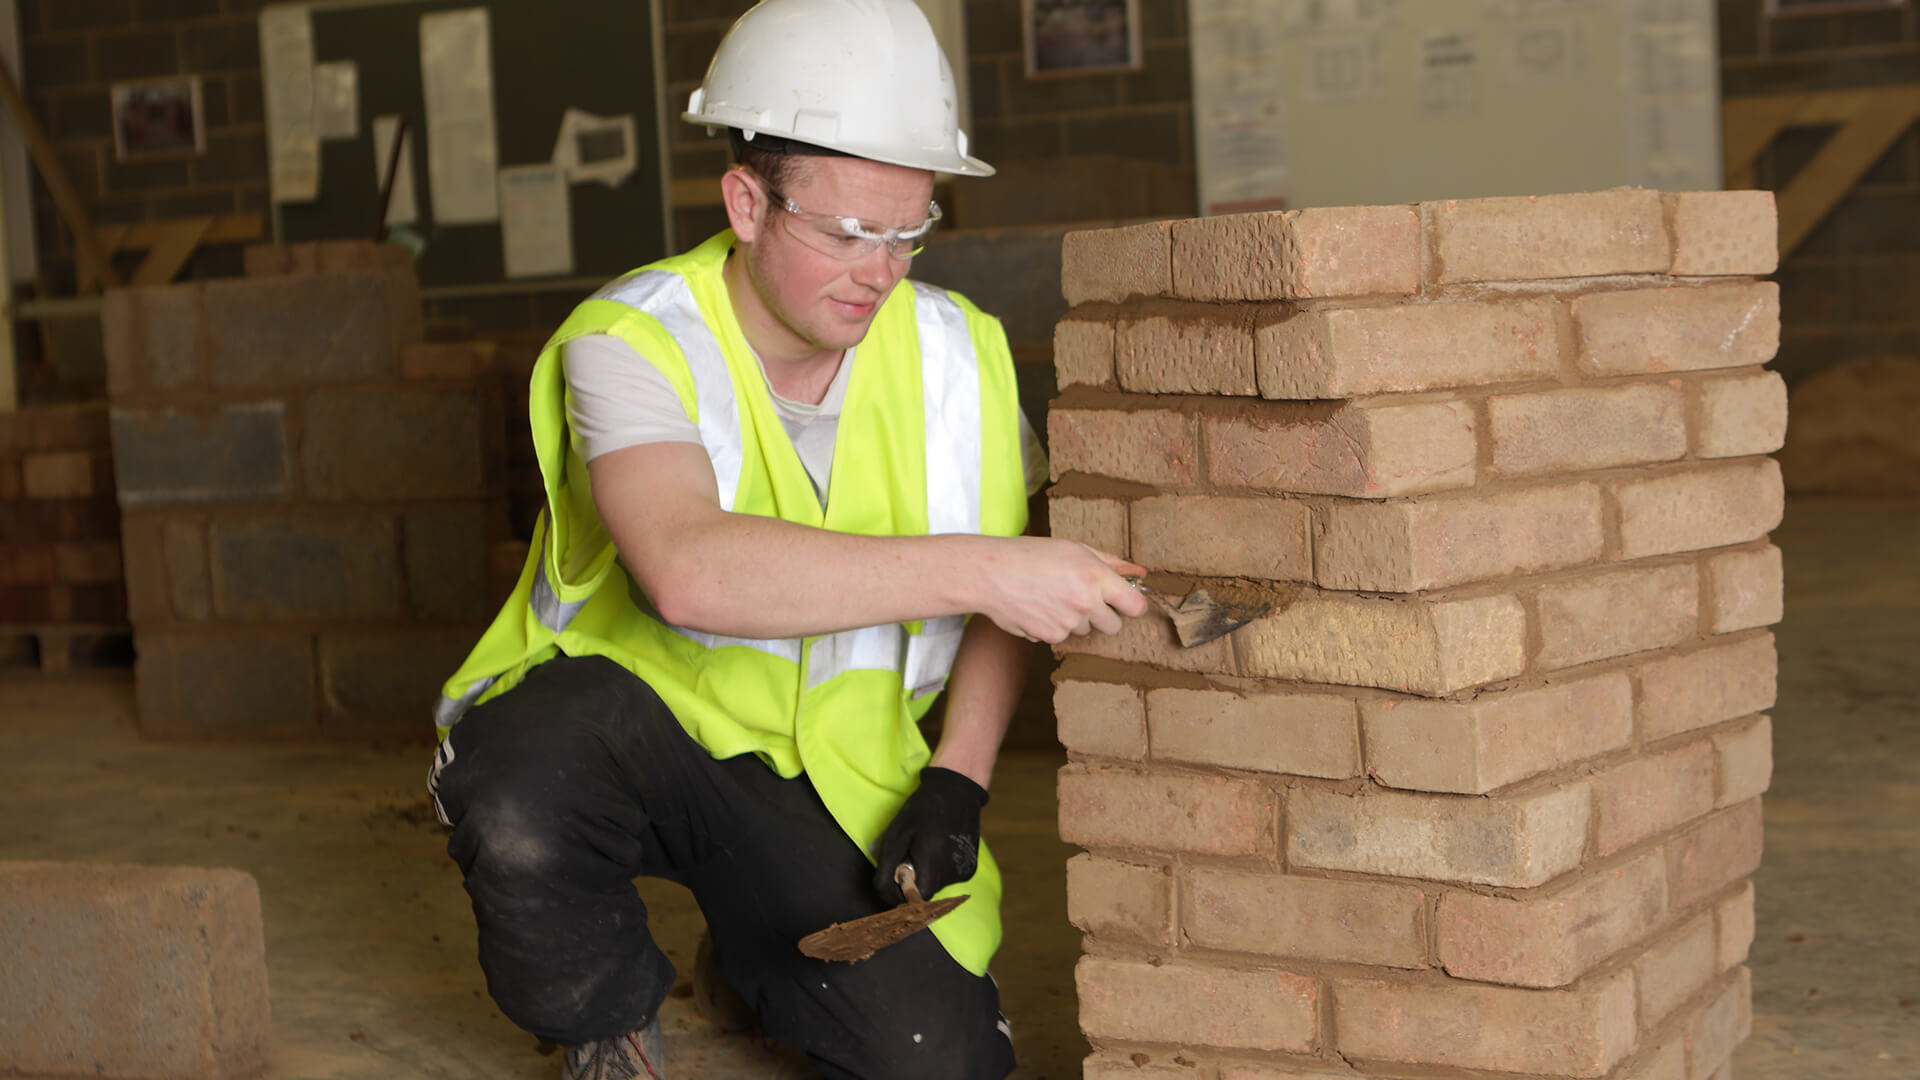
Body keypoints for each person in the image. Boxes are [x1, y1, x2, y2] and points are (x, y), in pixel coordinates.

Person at [425, 1, 1146, 1077]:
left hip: (836, 770)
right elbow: (684, 568)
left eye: (910, 230)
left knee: (938, 1060)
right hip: (627, 732)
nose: (882, 268)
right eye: (847, 232)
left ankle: (750, 957)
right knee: (521, 791)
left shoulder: (959, 356)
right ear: (747, 202)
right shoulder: (631, 342)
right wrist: (988, 567)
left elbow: (1015, 598)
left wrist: (960, 778)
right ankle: (603, 1022)